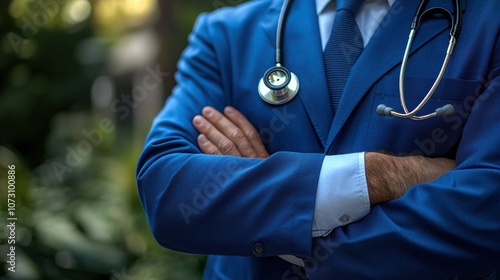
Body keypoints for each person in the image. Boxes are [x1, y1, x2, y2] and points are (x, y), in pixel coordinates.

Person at [136, 0, 500, 279]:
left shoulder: (489, 22)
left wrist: (270, 212)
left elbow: (487, 203)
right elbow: (166, 190)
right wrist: (380, 175)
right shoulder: (225, 36)